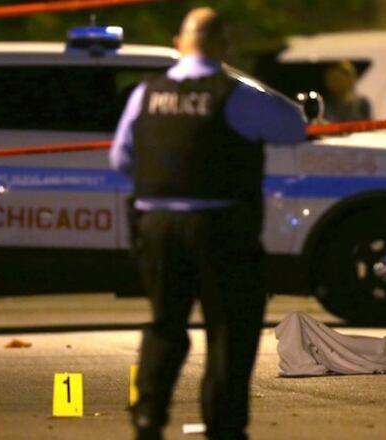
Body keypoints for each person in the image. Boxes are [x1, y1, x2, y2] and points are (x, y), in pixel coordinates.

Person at [109, 7, 307, 440]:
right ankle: (223, 426)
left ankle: (148, 417)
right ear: (222, 48)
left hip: (157, 226)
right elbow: (294, 126)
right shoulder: (233, 94)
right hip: (222, 227)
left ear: (180, 44)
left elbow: (121, 158)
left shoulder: (146, 93)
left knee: (164, 324)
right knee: (229, 330)